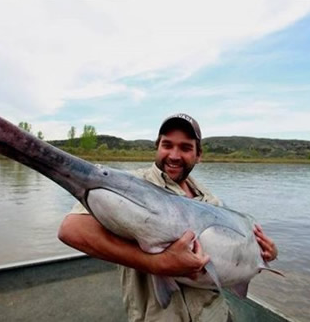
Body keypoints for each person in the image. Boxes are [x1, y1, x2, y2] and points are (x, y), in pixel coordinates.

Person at [58, 113, 278, 322]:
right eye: (167, 145)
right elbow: (71, 230)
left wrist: (266, 254)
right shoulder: (126, 185)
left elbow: (234, 262)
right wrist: (157, 264)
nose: (174, 155)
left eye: (185, 148)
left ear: (198, 155)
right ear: (157, 147)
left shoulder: (211, 201)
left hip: (214, 315)